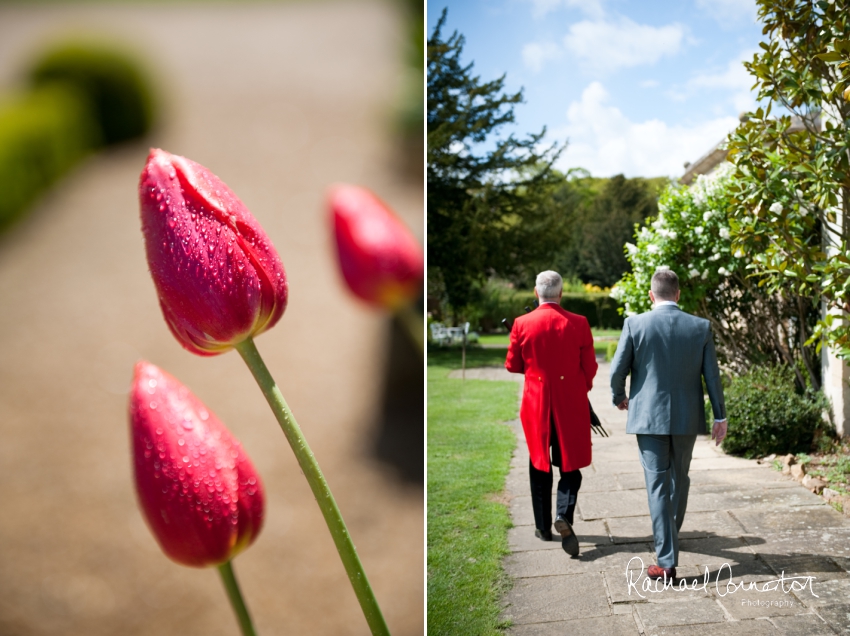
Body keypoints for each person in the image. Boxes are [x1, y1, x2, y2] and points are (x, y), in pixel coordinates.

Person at [609, 268, 727, 580]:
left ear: (651, 295)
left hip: (647, 418)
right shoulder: (700, 326)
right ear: (677, 294)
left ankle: (667, 560)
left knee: (657, 485)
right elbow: (712, 376)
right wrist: (720, 415)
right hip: (687, 417)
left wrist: (618, 396)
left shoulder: (635, 324)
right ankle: (669, 548)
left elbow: (617, 369)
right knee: (680, 479)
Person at [506, 270, 598, 556]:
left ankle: (543, 527)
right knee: (570, 466)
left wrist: (535, 373)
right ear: (561, 293)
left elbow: (512, 364)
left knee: (539, 463)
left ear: (536, 293)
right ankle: (564, 515)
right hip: (569, 403)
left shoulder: (522, 323)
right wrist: (576, 387)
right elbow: (590, 367)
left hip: (536, 404)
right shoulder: (579, 323)